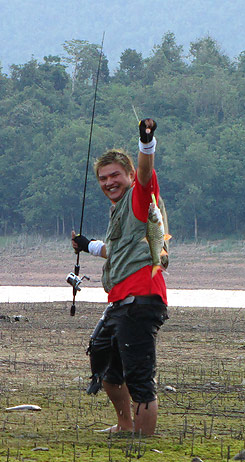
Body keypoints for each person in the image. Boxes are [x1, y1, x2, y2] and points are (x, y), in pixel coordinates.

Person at [71, 118, 169, 436]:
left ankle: (143, 445)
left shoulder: (140, 199)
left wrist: (146, 143)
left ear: (128, 174)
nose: (109, 182)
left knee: (140, 382)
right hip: (118, 301)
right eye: (103, 178)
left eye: (115, 175)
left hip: (140, 299)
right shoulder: (118, 211)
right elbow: (115, 249)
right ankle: (125, 427)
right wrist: (86, 245)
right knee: (107, 369)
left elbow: (145, 173)